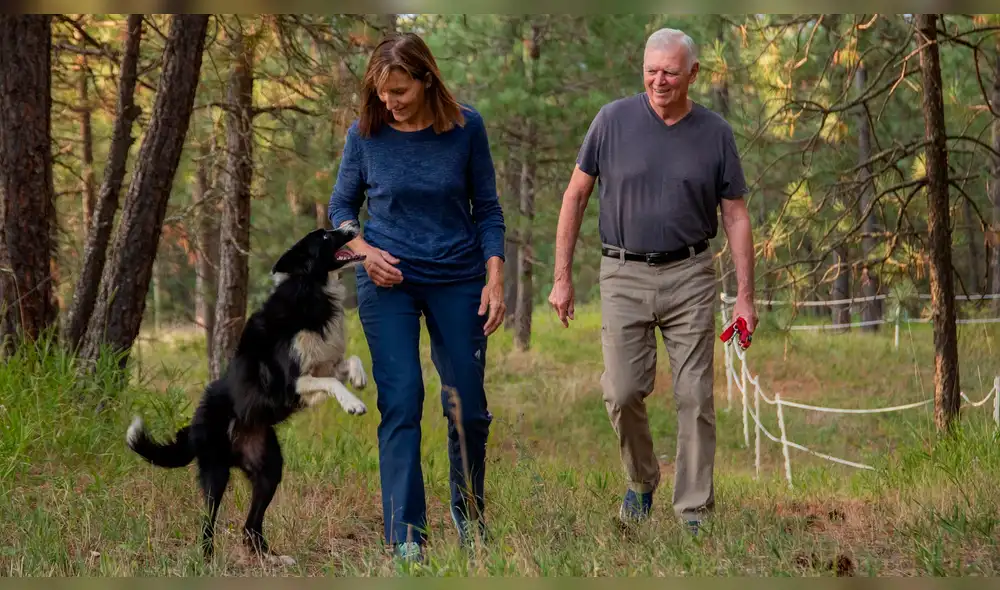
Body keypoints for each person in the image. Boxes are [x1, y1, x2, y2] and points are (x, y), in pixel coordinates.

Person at [547, 27, 757, 534]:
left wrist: (745, 297)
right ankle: (642, 481)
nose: (659, 81)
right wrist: (562, 279)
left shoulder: (715, 133)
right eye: (651, 71)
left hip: (690, 274)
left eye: (670, 72)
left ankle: (693, 512)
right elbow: (575, 196)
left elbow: (735, 215)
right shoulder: (612, 120)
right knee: (621, 391)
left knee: (695, 396)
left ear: (693, 74)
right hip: (622, 274)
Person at [327, 31, 506, 562]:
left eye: (400, 92)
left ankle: (468, 513)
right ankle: (406, 535)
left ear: (427, 80)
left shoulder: (466, 128)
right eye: (383, 93)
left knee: (467, 407)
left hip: (458, 276)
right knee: (402, 399)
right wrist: (361, 251)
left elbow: (489, 210)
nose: (391, 103)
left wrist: (494, 276)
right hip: (387, 280)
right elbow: (340, 208)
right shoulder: (365, 133)